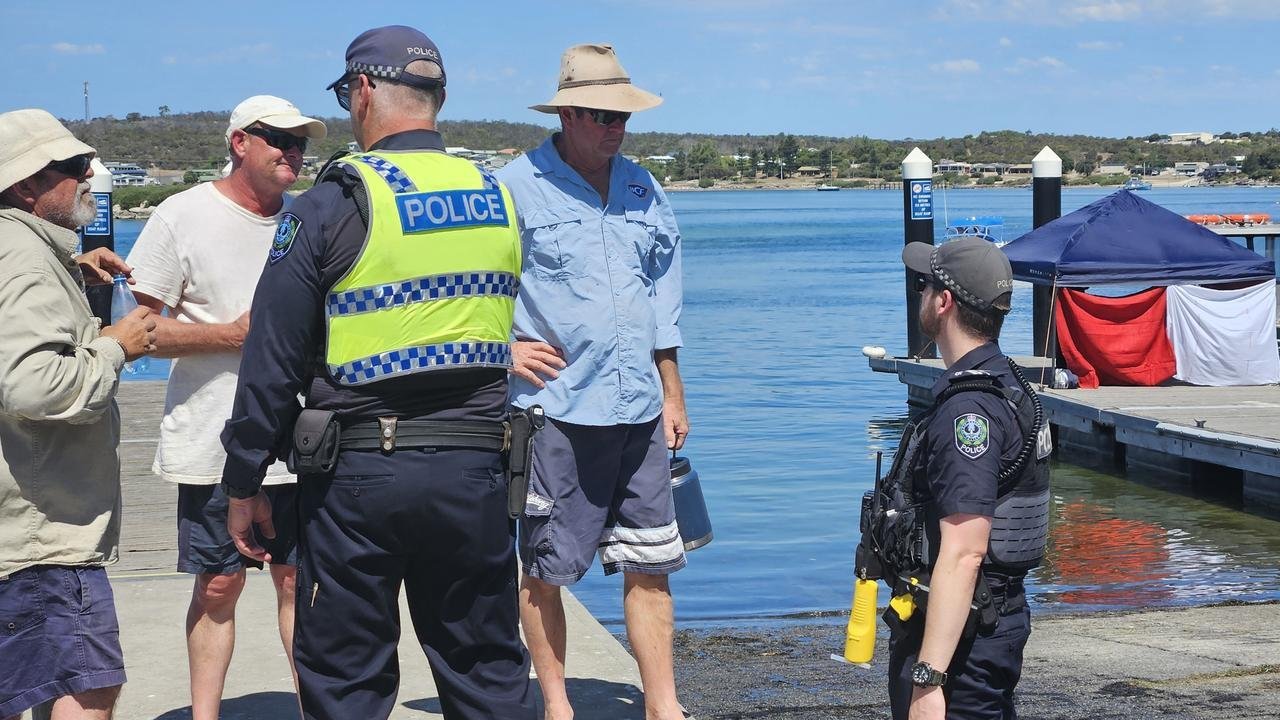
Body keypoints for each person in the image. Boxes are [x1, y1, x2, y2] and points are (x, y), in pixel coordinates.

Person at [218, 26, 534, 720]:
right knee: (488, 672)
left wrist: (244, 480)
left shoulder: (332, 203)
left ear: (361, 91)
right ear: (439, 98)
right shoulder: (497, 197)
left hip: (358, 480)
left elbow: (272, 359)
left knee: (346, 679)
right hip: (477, 471)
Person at [496, 43, 690, 720]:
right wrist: (502, 348)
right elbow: (473, 287)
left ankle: (662, 705)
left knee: (653, 563)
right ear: (569, 114)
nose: (617, 130)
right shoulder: (513, 187)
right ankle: (557, 705)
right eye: (604, 117)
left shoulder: (643, 186)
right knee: (546, 568)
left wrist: (673, 391)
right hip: (556, 413)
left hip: (638, 409)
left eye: (623, 118)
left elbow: (663, 296)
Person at [125, 95, 326, 720]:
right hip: (212, 437)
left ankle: (312, 709)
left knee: (299, 583)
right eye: (277, 137)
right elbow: (138, 330)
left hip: (304, 439)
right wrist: (235, 335)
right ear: (239, 142)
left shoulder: (307, 221)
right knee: (219, 585)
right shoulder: (181, 215)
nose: (292, 149)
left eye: (300, 140)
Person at [0, 109, 157, 720]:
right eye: (69, 167)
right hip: (45, 530)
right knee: (85, 683)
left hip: (22, 525)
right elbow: (34, 386)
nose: (89, 174)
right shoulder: (24, 261)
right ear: (24, 186)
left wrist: (73, 271)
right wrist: (117, 344)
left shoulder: (26, 251)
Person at [872, 236, 1051, 720]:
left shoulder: (968, 411)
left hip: (964, 639)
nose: (921, 296)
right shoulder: (1007, 383)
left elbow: (965, 549)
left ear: (945, 302)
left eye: (925, 285)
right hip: (986, 621)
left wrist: (928, 680)